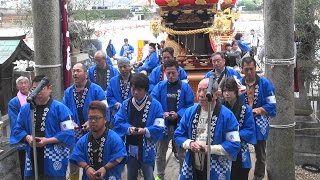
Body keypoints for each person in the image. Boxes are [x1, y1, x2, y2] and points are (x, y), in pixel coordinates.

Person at [174, 78, 240, 180]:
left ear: (217, 94)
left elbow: (234, 144)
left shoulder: (227, 116)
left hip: (217, 166)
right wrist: (190, 143)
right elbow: (178, 134)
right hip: (192, 163)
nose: (201, 94)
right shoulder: (189, 112)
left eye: (205, 91)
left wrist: (210, 149)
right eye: (198, 90)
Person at [10, 75, 75, 179]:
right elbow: (17, 129)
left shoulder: (61, 108)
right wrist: (28, 138)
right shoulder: (26, 109)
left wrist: (47, 140)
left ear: (50, 88)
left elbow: (69, 132)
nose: (38, 92)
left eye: (41, 88)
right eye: (34, 89)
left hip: (54, 156)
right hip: (32, 154)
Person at [113, 73, 165, 180]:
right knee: (131, 176)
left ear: (146, 90)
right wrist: (128, 129)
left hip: (147, 147)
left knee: (149, 175)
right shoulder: (125, 104)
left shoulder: (155, 105)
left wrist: (145, 130)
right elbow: (118, 121)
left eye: (139, 90)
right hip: (130, 146)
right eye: (133, 88)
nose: (135, 92)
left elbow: (160, 125)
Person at [150, 59, 194, 180]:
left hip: (179, 126)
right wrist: (162, 113)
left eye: (173, 73)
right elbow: (153, 102)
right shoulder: (160, 86)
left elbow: (190, 105)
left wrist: (179, 114)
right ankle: (159, 177)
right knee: (159, 154)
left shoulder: (185, 87)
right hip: (163, 125)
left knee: (182, 154)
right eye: (168, 73)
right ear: (164, 72)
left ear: (178, 72)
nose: (170, 75)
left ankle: (182, 176)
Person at [63, 63, 107, 180]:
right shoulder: (68, 92)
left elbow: (105, 110)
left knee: (95, 162)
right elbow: (63, 113)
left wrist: (90, 122)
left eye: (78, 71)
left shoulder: (97, 90)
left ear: (86, 74)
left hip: (94, 133)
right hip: (75, 134)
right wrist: (70, 123)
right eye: (74, 71)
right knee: (74, 163)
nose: (75, 74)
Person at [69, 101, 127, 180]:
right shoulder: (83, 140)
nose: (93, 121)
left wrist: (105, 168)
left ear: (105, 119)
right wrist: (86, 167)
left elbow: (120, 156)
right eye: (90, 118)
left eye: (96, 118)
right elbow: (76, 156)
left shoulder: (114, 139)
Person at [240, 57, 277, 180]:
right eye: (246, 70)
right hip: (243, 122)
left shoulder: (265, 83)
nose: (249, 72)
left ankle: (258, 176)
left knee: (260, 152)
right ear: (242, 70)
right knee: (241, 150)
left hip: (260, 121)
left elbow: (272, 104)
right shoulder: (238, 84)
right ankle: (241, 174)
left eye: (251, 69)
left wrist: (259, 110)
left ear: (256, 68)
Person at [220, 77, 256, 180]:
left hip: (240, 148)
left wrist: (233, 136)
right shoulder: (219, 108)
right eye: (224, 91)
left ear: (236, 92)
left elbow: (250, 130)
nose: (227, 93)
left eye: (230, 90)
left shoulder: (246, 109)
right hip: (223, 148)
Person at [8, 76, 30, 178]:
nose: (23, 85)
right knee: (24, 164)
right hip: (23, 136)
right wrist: (26, 134)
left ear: (29, 85)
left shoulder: (35, 97)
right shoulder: (14, 102)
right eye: (20, 83)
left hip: (37, 133)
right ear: (17, 87)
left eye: (25, 83)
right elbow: (15, 122)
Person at [106, 57, 133, 126]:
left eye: (124, 66)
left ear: (129, 66)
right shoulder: (113, 81)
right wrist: (115, 103)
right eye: (120, 67)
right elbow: (109, 96)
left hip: (132, 112)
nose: (122, 69)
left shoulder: (136, 79)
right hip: (117, 112)